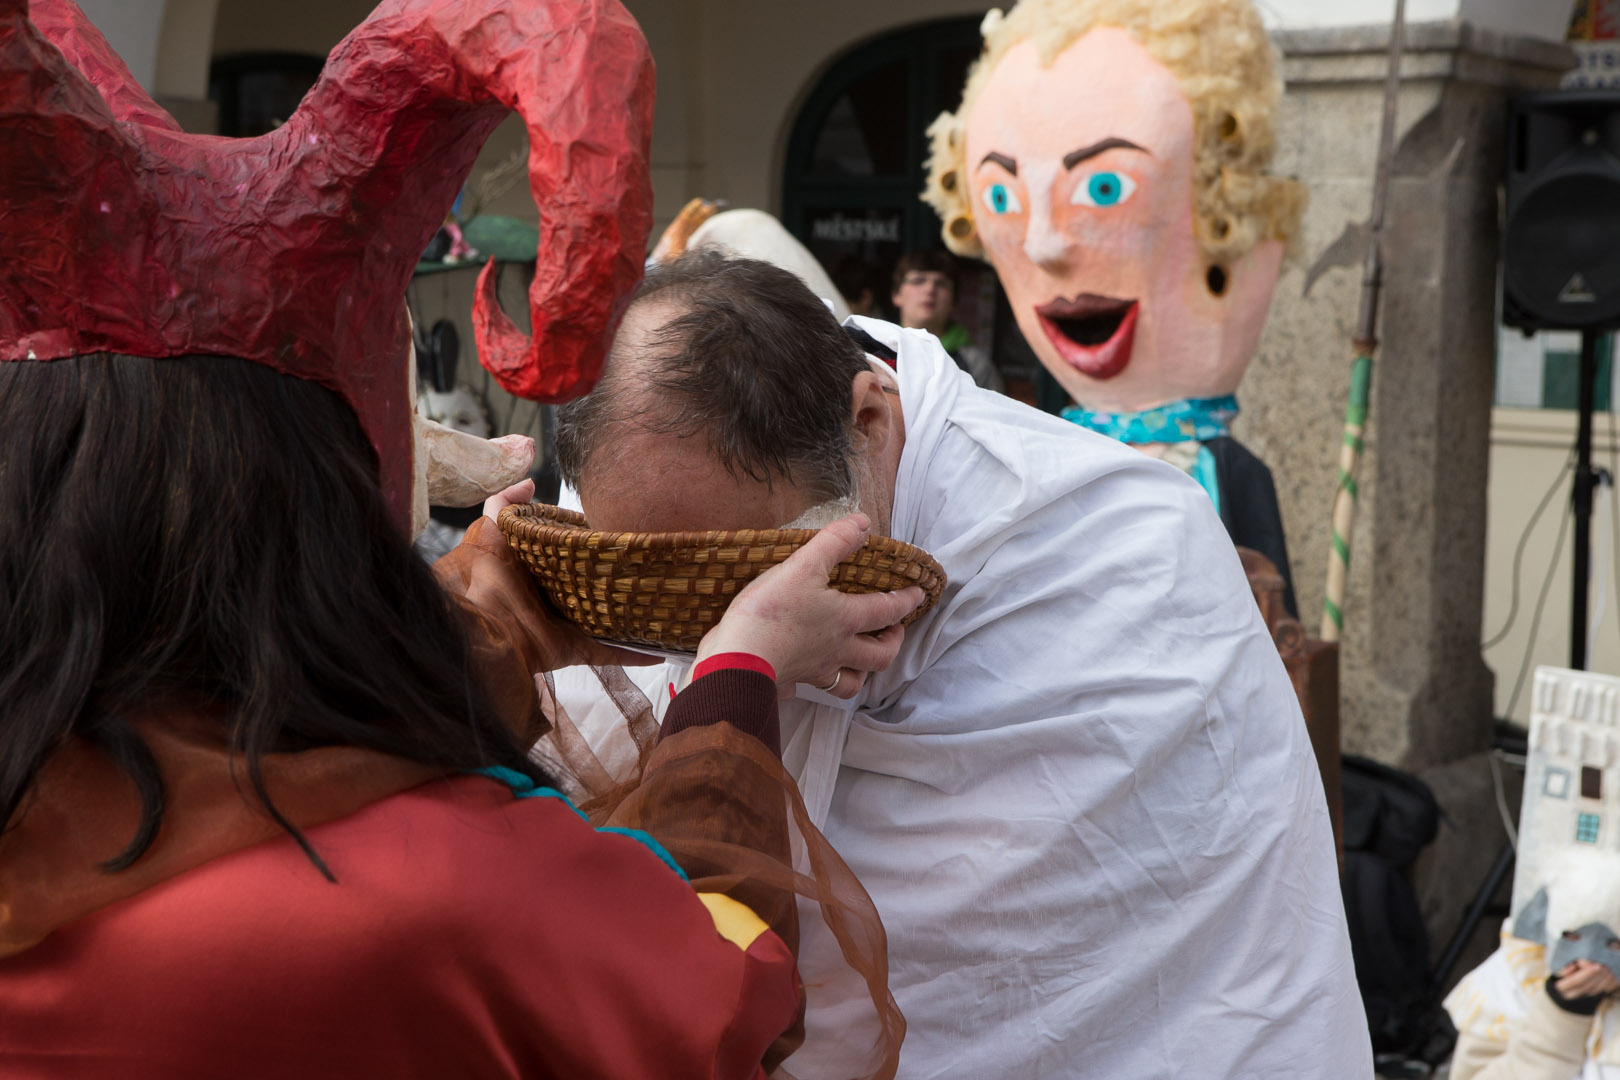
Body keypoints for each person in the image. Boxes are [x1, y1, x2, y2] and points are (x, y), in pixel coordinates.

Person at [0, 1, 921, 1076]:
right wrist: (738, 676)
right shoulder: (445, 901)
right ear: (338, 480)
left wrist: (494, 617)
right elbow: (720, 988)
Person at [552, 250, 1372, 1078]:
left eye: (752, 571)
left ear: (869, 422)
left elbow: (1072, 974)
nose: (704, 625)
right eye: (664, 588)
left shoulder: (1126, 543)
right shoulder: (622, 498)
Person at [922, 0, 1304, 611]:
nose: (1045, 245)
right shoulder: (1043, 463)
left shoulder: (1228, 472)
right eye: (1002, 196)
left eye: (1104, 188)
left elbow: (1274, 645)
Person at [889, 249, 1003, 392]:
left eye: (941, 284)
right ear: (896, 295)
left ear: (953, 301)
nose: (930, 289)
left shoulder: (975, 364)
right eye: (918, 281)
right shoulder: (877, 350)